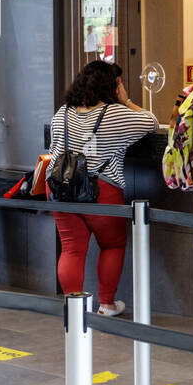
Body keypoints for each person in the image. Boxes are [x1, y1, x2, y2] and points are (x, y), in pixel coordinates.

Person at [49, 60, 157, 316]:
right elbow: (150, 122)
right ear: (113, 86)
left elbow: (54, 150)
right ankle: (106, 304)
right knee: (112, 245)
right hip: (100, 190)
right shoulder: (114, 113)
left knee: (71, 248)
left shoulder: (63, 112)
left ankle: (73, 308)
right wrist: (127, 100)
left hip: (61, 189)